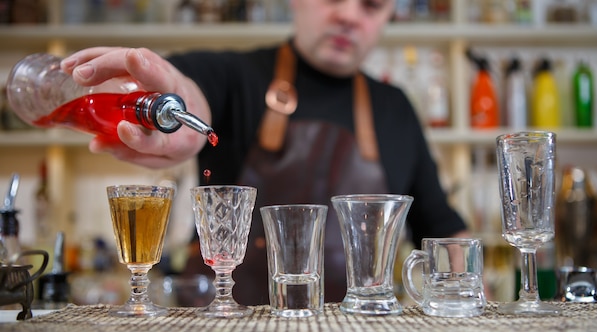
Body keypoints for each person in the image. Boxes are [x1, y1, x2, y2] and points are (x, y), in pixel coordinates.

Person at [60, 0, 468, 305]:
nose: (348, 14)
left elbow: (446, 232)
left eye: (371, 4)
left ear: (388, 14)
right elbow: (188, 90)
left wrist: (472, 301)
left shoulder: (395, 109)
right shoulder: (235, 77)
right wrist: (176, 107)